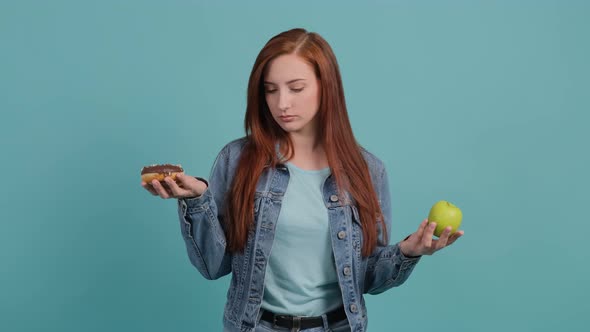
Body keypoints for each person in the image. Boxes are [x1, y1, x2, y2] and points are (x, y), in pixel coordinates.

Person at [141, 28, 464, 332]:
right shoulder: (237, 159)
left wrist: (409, 251)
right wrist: (196, 201)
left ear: (326, 87)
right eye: (271, 90)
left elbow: (366, 279)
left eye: (296, 88)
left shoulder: (367, 170)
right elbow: (213, 266)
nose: (282, 103)